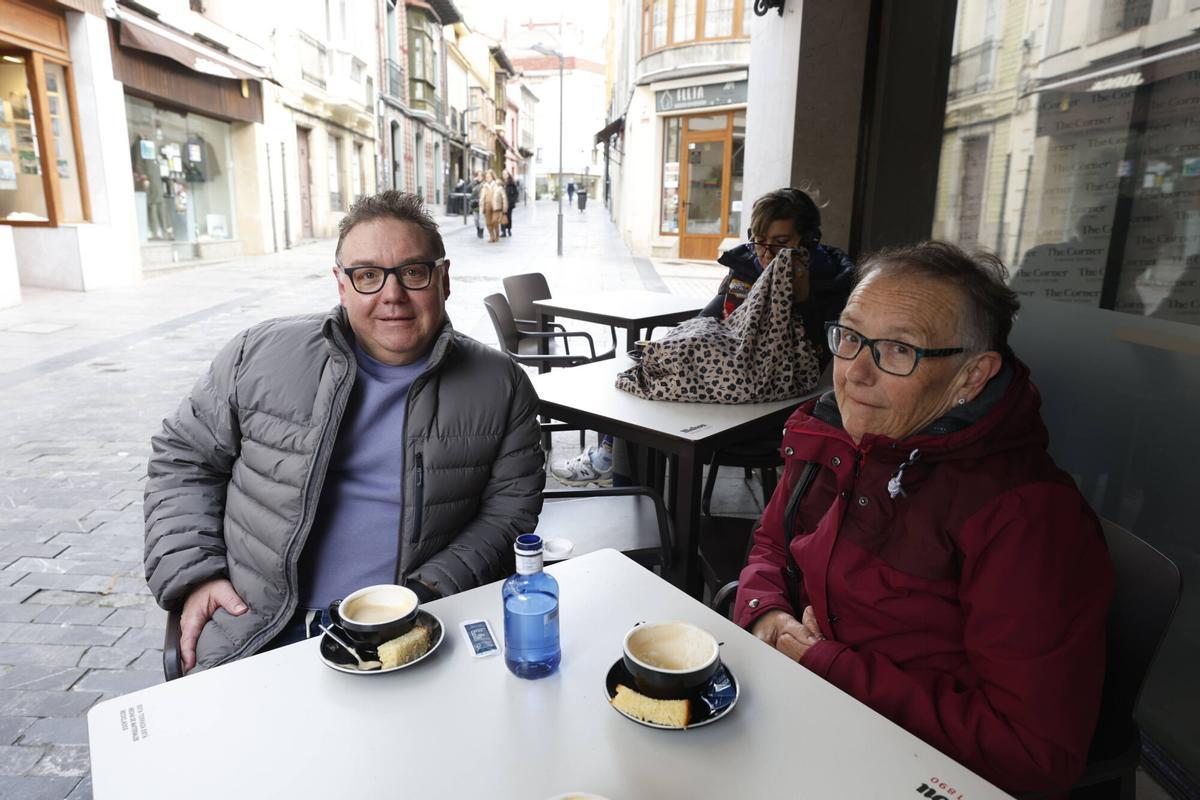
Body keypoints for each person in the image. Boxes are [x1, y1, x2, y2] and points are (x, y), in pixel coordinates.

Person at [735, 241, 1112, 794]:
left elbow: (1032, 754)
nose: (855, 373)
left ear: (972, 376)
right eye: (850, 337)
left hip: (904, 764)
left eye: (898, 349)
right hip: (806, 708)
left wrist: (828, 666)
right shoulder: (834, 433)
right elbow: (772, 543)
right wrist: (766, 613)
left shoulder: (1027, 518)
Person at [144, 191, 545, 674]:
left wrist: (429, 591)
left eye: (413, 272)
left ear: (443, 279)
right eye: (368, 275)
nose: (391, 295)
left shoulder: (501, 385)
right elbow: (184, 459)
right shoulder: (259, 354)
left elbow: (509, 511)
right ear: (341, 285)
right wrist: (196, 574)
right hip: (257, 624)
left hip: (412, 627)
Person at [551, 186, 853, 487]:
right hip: (725, 382)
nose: (766, 253)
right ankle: (619, 474)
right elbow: (709, 318)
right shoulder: (746, 266)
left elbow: (818, 355)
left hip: (771, 408)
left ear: (810, 241)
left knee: (653, 399)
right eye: (759, 240)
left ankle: (617, 471)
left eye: (781, 243)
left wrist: (804, 300)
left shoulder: (831, 285)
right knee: (648, 378)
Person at [481, 169, 506, 243]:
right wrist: (481, 207)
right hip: (487, 205)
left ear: (492, 177)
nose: (487, 178)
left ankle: (497, 235)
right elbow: (482, 198)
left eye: (489, 176)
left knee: (494, 221)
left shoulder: (497, 185)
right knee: (488, 223)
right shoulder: (484, 186)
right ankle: (492, 237)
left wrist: (504, 208)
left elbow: (503, 196)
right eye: (486, 177)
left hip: (496, 206)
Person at [501, 171, 519, 237]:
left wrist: (512, 201)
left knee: (508, 217)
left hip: (509, 203)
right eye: (503, 174)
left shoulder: (512, 183)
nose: (504, 175)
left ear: (508, 175)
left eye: (505, 174)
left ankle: (508, 229)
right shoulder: (500, 183)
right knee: (502, 217)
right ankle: (503, 231)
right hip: (502, 203)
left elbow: (516, 193)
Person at [470, 171, 484, 239]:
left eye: (480, 176)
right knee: (476, 219)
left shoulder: (484, 184)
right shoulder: (474, 184)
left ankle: (481, 232)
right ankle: (478, 229)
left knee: (481, 219)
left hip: (482, 204)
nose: (479, 177)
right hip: (475, 204)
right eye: (478, 176)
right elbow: (468, 188)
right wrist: (473, 181)